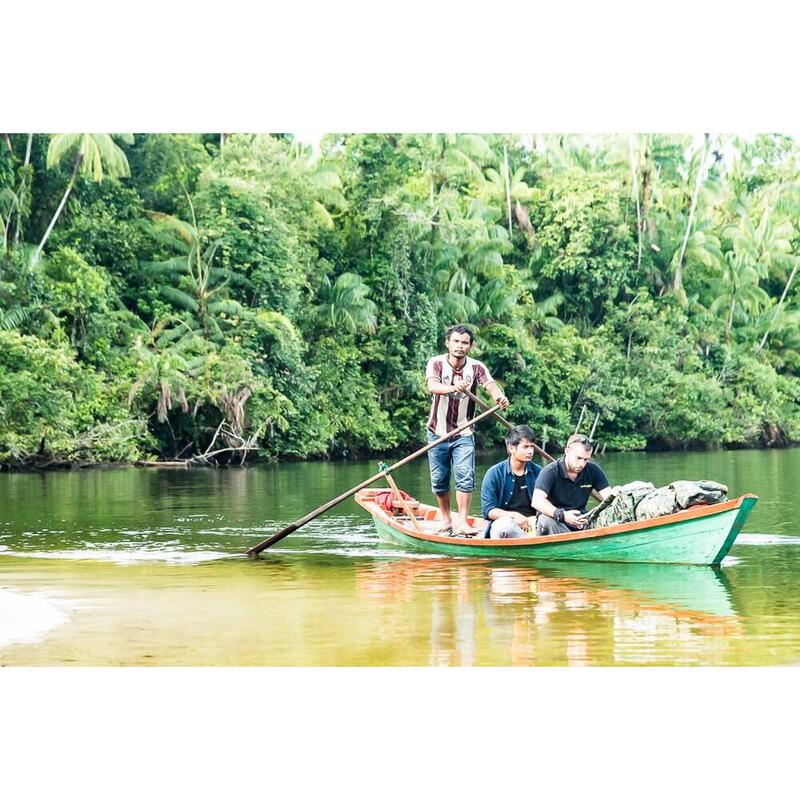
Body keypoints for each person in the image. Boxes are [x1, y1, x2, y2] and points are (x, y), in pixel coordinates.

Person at [425, 324, 509, 535]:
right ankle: (446, 520)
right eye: (456, 341)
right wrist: (454, 387)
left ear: (470, 346)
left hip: (463, 432)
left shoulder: (476, 367)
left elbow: (490, 385)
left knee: (464, 475)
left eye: (464, 343)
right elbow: (433, 387)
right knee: (439, 479)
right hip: (437, 432)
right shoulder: (435, 363)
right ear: (447, 343)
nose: (460, 346)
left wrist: (498, 397)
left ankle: (462, 521)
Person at [531, 433, 612, 535]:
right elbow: (537, 501)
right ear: (567, 451)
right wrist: (562, 515)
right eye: (578, 458)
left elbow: (609, 498)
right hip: (555, 520)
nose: (582, 464)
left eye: (586, 459)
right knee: (546, 521)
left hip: (581, 521)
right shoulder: (550, 471)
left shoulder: (593, 470)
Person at [480, 425, 542, 538]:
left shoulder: (538, 472)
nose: (530, 451)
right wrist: (514, 516)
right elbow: (488, 510)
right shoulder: (494, 473)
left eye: (532, 447)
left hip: (533, 523)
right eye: (525, 447)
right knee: (505, 527)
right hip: (506, 523)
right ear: (511, 448)